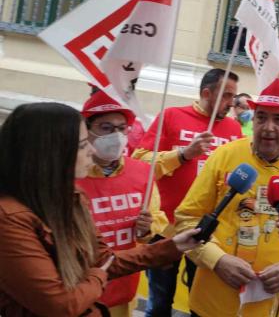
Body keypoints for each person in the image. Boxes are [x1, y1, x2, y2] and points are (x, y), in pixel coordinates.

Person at [0, 103, 201, 316]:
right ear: (50, 153)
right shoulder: (9, 218)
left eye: (122, 128)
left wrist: (173, 246)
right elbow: (61, 304)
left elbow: (104, 259)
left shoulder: (72, 199)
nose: (92, 150)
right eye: (82, 145)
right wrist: (97, 276)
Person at [174, 79, 279, 317]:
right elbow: (186, 219)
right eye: (261, 117)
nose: (268, 127)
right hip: (214, 303)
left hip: (273, 307)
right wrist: (217, 260)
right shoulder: (224, 155)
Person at [132, 68, 242, 316]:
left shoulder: (234, 129)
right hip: (166, 229)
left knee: (201, 303)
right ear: (206, 92)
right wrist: (182, 155)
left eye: (233, 97)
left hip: (208, 231)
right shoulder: (171, 116)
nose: (231, 103)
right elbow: (139, 163)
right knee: (159, 303)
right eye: (226, 96)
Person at [75, 91, 169, 316]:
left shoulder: (143, 172)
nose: (116, 136)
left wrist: (147, 229)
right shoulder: (69, 173)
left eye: (121, 128)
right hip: (77, 292)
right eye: (106, 128)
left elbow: (157, 218)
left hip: (123, 288)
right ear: (86, 131)